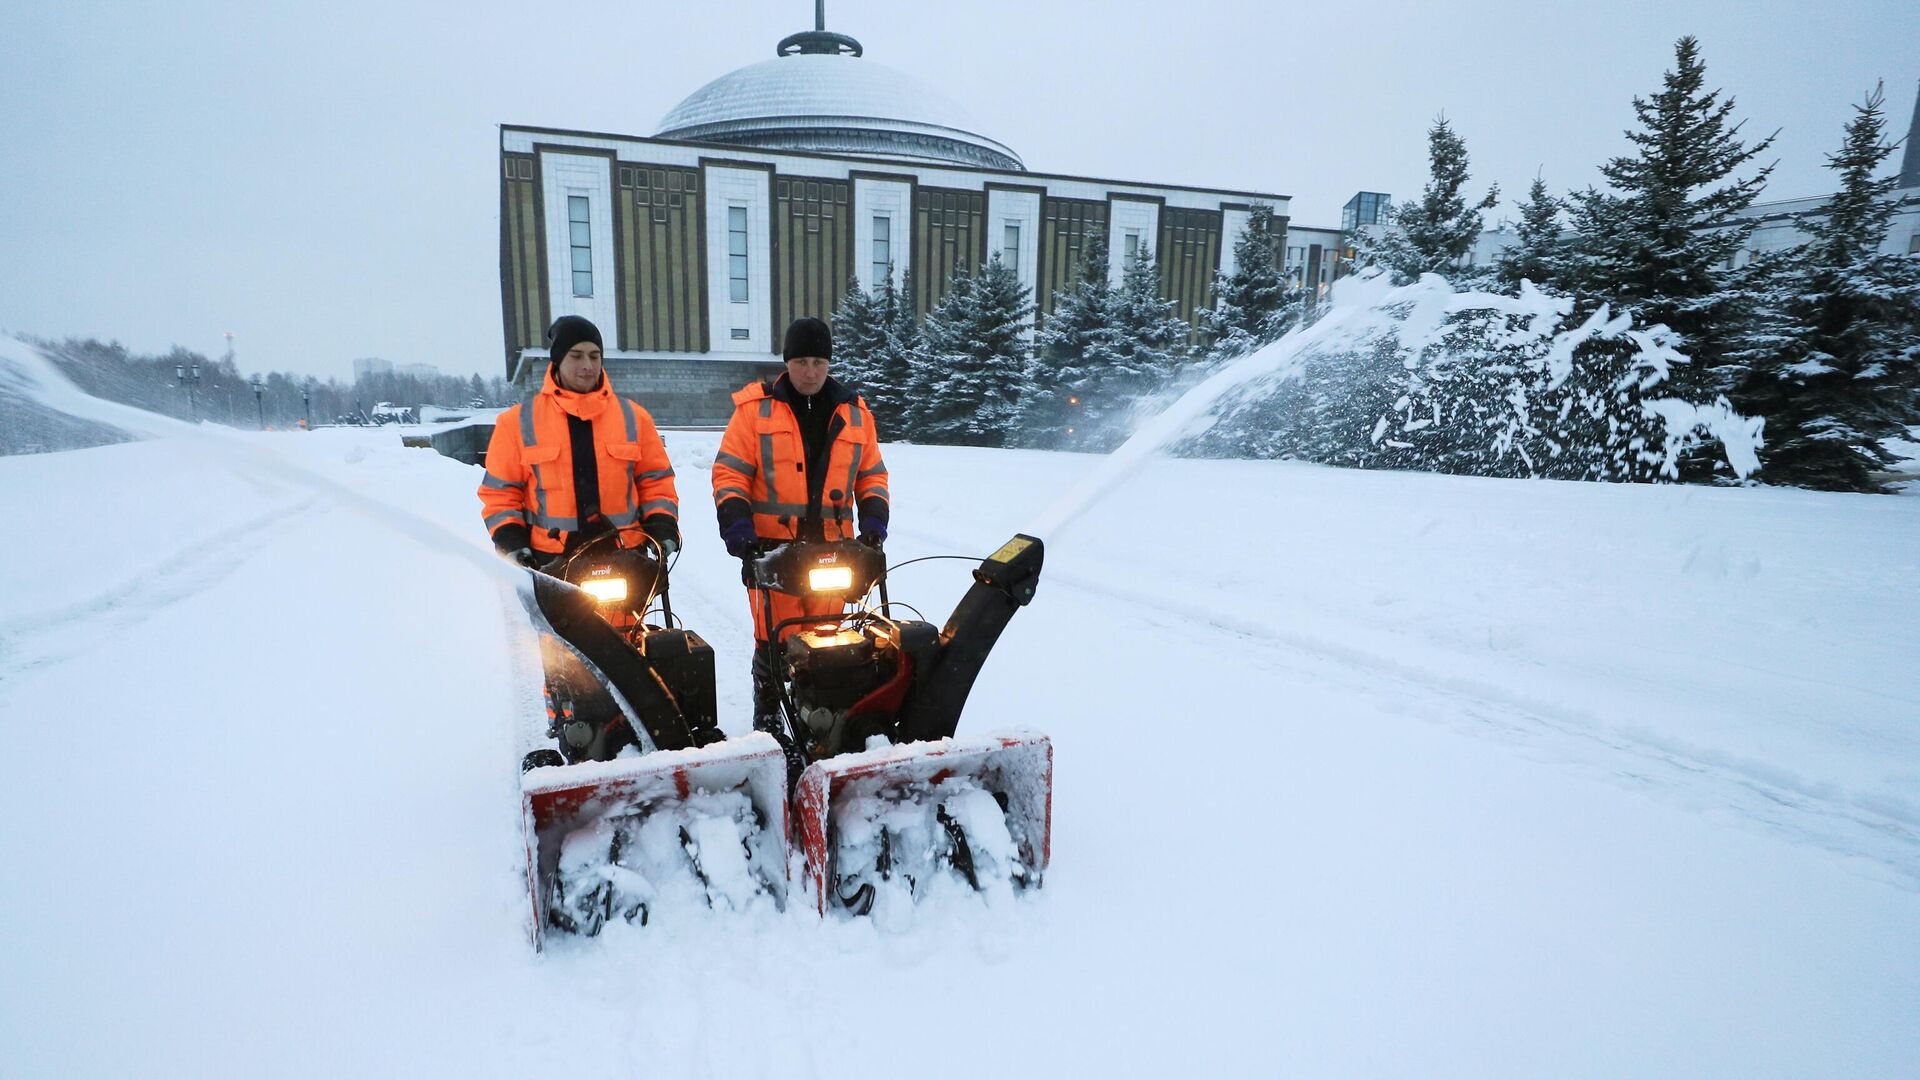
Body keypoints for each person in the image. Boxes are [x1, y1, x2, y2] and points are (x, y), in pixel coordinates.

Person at [711, 316, 889, 742]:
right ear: (787, 362)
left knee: (830, 637)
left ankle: (826, 712)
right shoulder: (754, 411)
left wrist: (874, 523)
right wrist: (738, 528)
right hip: (772, 553)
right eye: (802, 361)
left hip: (834, 551)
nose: (811, 371)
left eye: (819, 361)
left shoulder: (855, 412)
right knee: (773, 641)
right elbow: (730, 474)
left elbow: (872, 475)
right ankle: (769, 717)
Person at [478, 315, 680, 567]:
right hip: (550, 564)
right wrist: (510, 539)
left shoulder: (635, 418)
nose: (587, 365)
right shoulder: (517, 423)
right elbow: (500, 493)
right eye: (576, 355)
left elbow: (656, 481)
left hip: (626, 557)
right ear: (558, 360)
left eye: (594, 356)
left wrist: (662, 522)